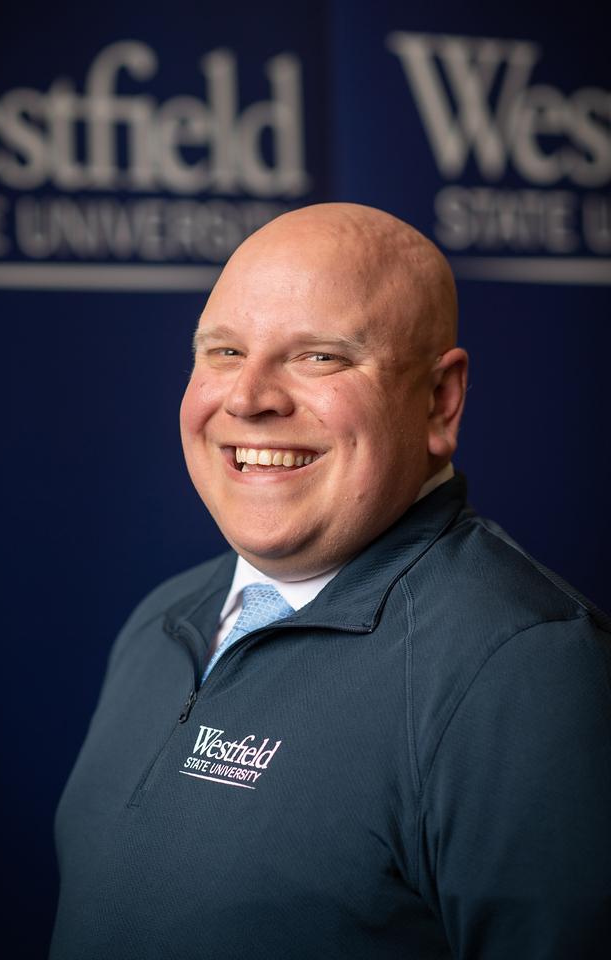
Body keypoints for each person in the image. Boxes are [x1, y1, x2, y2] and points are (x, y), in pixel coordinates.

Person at [50, 203, 611, 960]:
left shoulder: (525, 670)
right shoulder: (164, 620)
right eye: (222, 352)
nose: (248, 398)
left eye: (319, 356)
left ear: (440, 402)